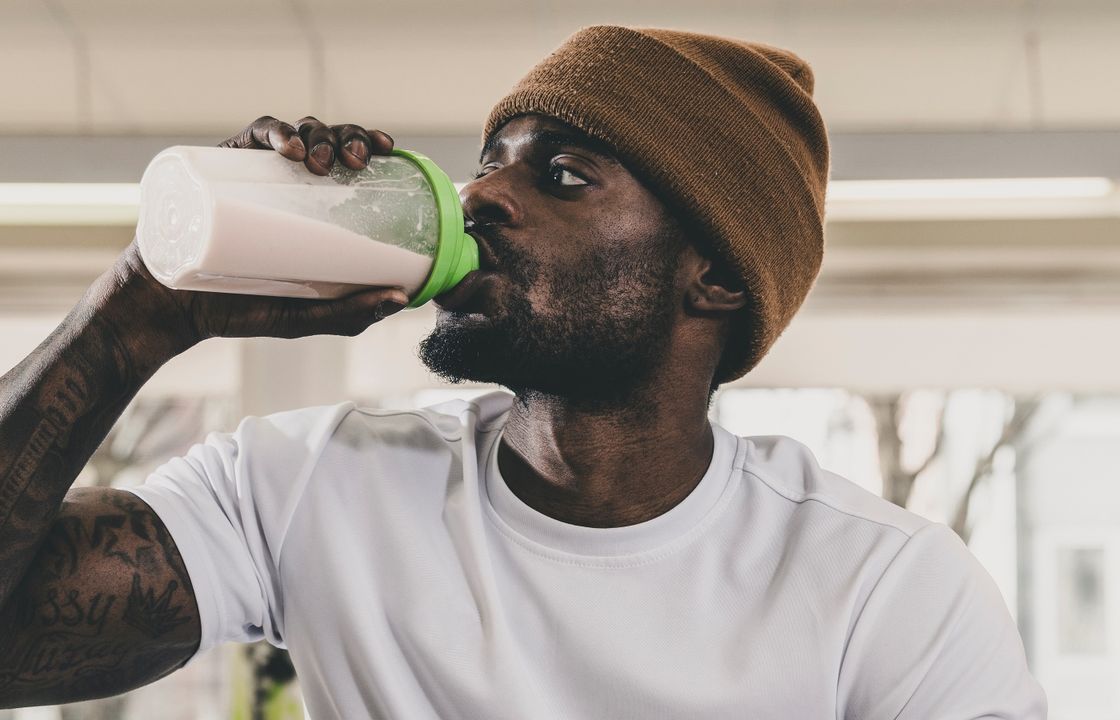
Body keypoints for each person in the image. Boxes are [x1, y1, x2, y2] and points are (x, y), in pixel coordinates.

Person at [0, 25, 1047, 719]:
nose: (479, 197)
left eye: (559, 176)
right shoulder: (304, 487)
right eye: (491, 160)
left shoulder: (883, 588)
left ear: (715, 279)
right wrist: (140, 314)